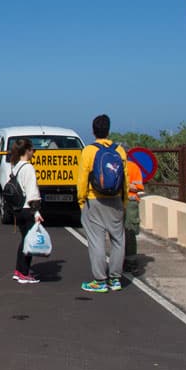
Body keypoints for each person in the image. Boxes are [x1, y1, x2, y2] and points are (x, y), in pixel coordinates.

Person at [77, 114, 128, 293]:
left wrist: (81, 200)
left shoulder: (89, 151)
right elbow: (125, 180)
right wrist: (124, 200)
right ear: (108, 130)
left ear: (93, 130)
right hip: (115, 200)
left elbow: (82, 178)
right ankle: (115, 279)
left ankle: (100, 281)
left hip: (94, 199)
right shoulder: (120, 151)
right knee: (118, 240)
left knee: (96, 241)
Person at [9, 138, 44, 284]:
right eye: (32, 150)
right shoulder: (28, 168)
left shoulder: (15, 167)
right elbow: (32, 192)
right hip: (27, 209)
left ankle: (19, 270)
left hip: (17, 209)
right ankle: (24, 273)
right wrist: (36, 212)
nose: (33, 153)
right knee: (28, 243)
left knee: (24, 240)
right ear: (27, 150)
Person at [124, 155, 145, 271]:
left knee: (129, 232)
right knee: (127, 232)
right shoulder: (132, 166)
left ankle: (129, 260)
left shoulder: (131, 167)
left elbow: (138, 187)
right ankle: (127, 260)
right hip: (124, 202)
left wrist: (124, 185)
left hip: (127, 202)